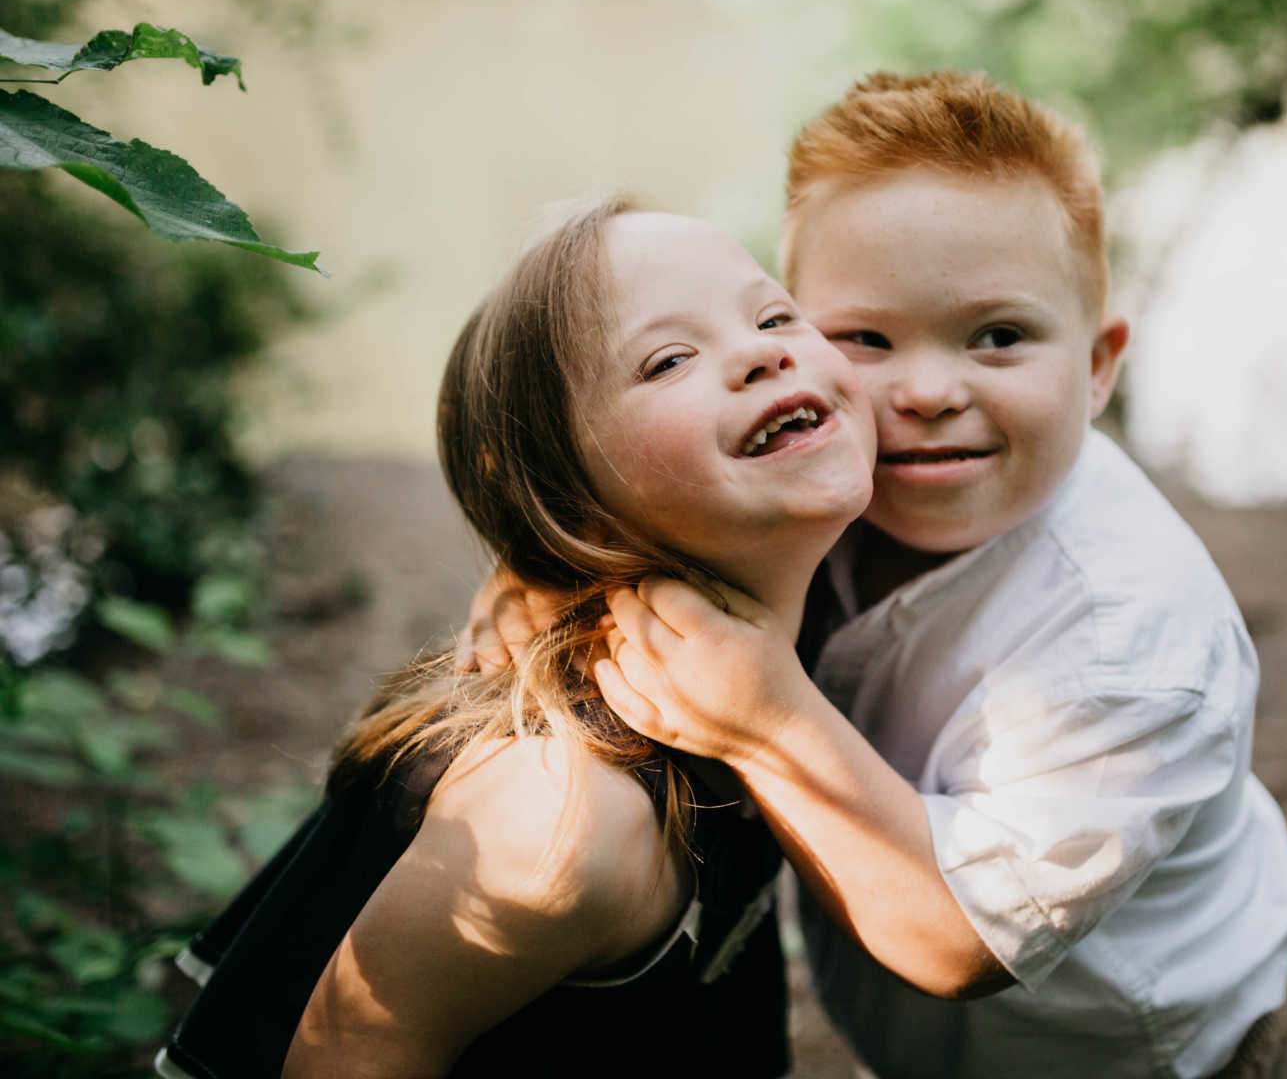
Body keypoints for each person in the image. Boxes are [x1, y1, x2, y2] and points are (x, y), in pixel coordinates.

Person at [465, 72, 1287, 1078]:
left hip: (1119, 1052)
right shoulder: (811, 468)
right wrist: (548, 564)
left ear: (1096, 365)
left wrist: (769, 717)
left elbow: (960, 938)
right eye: (861, 338)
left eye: (997, 337)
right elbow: (656, 493)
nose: (925, 391)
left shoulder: (1130, 643)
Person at [154, 195, 877, 1079]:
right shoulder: (563, 816)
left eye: (774, 314)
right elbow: (346, 1057)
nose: (764, 349)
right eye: (668, 360)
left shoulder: (810, 599)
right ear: (567, 497)